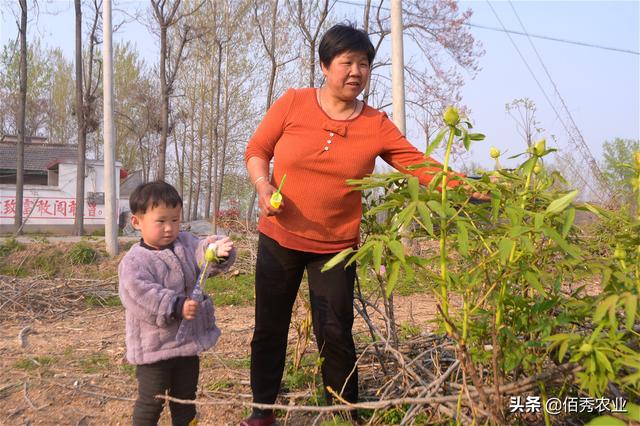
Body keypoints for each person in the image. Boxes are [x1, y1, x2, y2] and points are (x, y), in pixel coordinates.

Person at [242, 23, 470, 426]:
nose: (355, 72)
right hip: (280, 236)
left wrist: (466, 187)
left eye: (363, 64)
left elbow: (417, 163)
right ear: (325, 65)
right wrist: (263, 185)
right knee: (269, 328)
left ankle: (343, 414)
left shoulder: (375, 124)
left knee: (335, 333)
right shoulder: (293, 103)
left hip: (335, 246)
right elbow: (258, 150)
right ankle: (263, 412)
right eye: (346, 62)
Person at [118, 181, 235, 426]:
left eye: (175, 220)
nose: (170, 228)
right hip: (154, 350)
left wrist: (217, 249)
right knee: (151, 402)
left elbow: (202, 251)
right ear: (137, 222)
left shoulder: (184, 243)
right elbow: (140, 295)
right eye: (161, 221)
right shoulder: (135, 262)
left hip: (186, 345)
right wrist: (175, 305)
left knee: (185, 400)